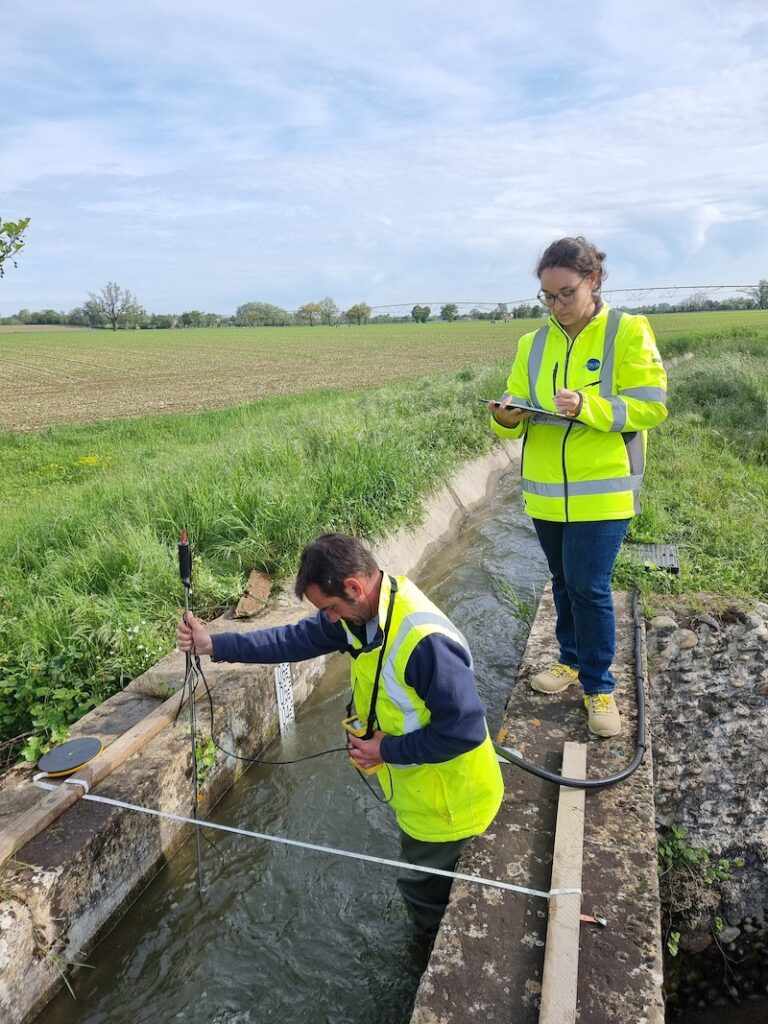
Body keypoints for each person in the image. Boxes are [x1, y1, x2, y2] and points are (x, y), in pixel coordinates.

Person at [177, 532, 504, 938]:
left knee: (424, 896)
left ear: (354, 586)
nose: (327, 619)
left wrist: (387, 749)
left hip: (451, 805)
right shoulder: (362, 614)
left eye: (329, 608)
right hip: (424, 792)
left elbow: (466, 731)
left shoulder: (424, 642)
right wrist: (214, 644)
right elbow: (292, 640)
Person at [489, 236, 667, 738]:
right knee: (563, 582)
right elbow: (516, 403)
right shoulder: (532, 343)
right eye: (547, 296)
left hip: (603, 491)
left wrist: (587, 407)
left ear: (592, 280)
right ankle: (569, 660)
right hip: (545, 491)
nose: (556, 305)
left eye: (566, 293)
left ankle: (599, 685)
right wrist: (506, 416)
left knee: (589, 588)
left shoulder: (628, 332)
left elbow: (652, 405)